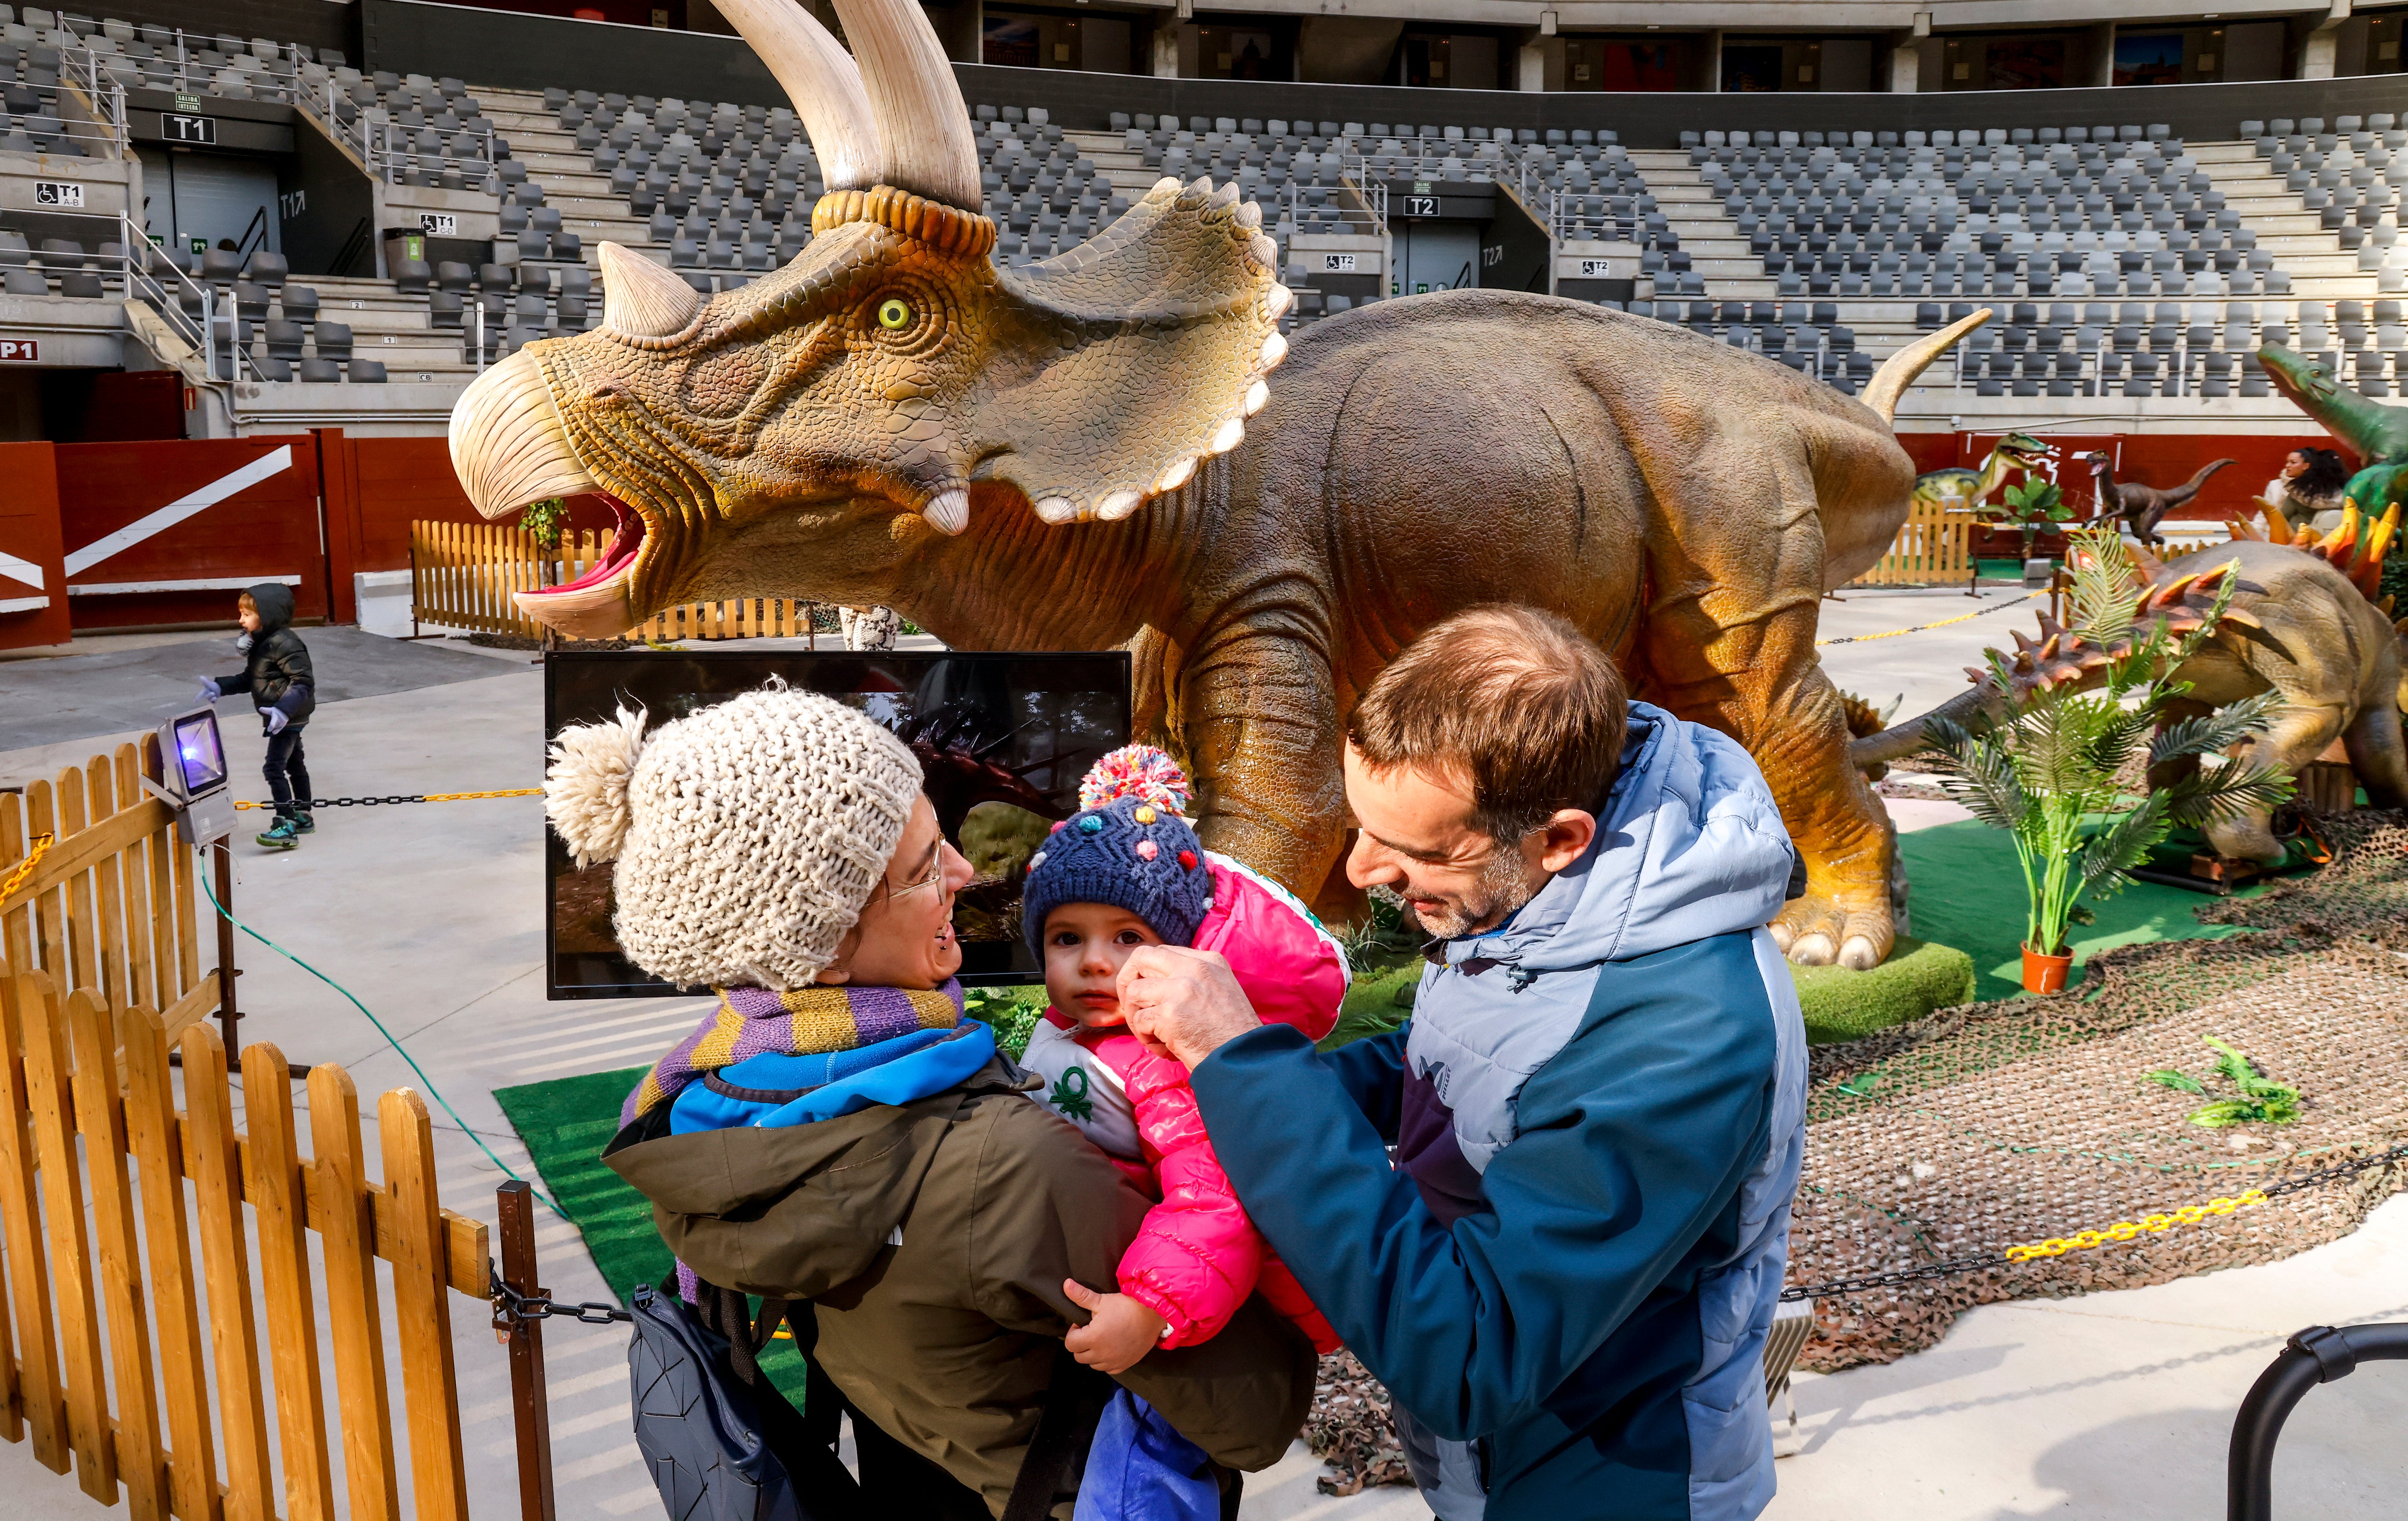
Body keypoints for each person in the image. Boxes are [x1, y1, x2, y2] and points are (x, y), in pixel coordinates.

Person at [549, 687, 1314, 1520]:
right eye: (921, 869)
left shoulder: (704, 1104)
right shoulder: (1004, 1164)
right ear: (829, 946)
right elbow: (1257, 1410)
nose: (963, 870)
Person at [1118, 605, 1808, 1521]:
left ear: (1559, 838)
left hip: (1606, 1480)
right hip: (1496, 1471)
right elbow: (1464, 1058)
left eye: (1409, 849)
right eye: (1362, 823)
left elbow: (1472, 1356)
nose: (1361, 867)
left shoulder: (1692, 1037)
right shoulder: (1547, 899)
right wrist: (1206, 1099)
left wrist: (1244, 1063)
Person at [1014, 745, 1347, 1520]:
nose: (1095, 963)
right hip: (1124, 1275)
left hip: (1186, 1306)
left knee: (1144, 1466)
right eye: (1067, 939)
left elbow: (1213, 1197)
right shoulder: (1078, 1035)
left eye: (1126, 938)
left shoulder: (1163, 1058)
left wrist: (1152, 1307)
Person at [199, 583, 315, 851]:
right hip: (282, 714)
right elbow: (251, 679)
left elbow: (303, 682)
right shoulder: (262, 644)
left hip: (287, 716)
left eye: (247, 614)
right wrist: (220, 686)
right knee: (295, 761)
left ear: (268, 614)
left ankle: (286, 824)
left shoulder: (286, 644)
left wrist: (283, 711)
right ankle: (303, 814)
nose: (241, 620)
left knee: (274, 768)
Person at [2262, 445, 2350, 533]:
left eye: (2293, 462)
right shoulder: (2346, 492)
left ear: (2310, 467)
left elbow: (2282, 517)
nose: (2288, 466)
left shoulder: (2299, 491)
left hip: (2297, 537)